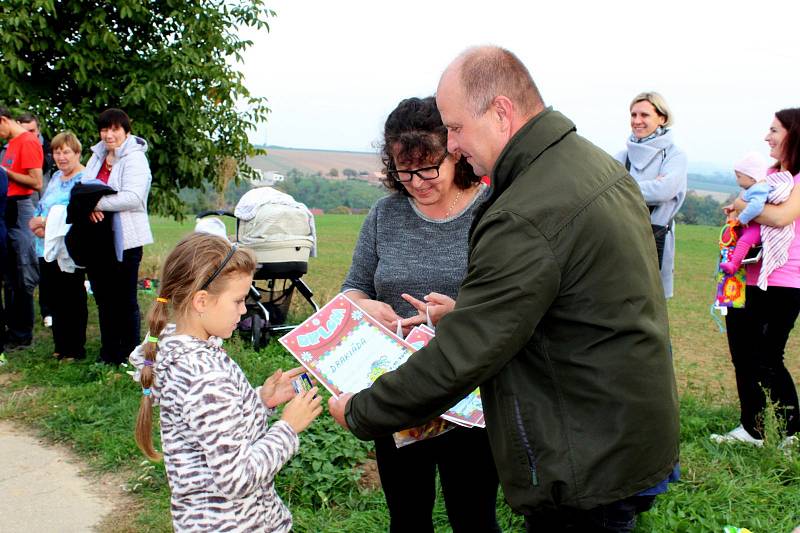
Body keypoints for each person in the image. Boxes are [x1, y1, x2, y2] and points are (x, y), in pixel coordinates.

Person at [329, 46, 680, 532]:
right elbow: (559, 309)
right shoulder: (590, 166)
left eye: (453, 128)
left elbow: (467, 351)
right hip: (615, 434)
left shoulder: (524, 210)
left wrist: (362, 410)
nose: (452, 146)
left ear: (499, 111)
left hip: (584, 452)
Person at [341, 96, 499, 533]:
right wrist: (363, 304)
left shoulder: (491, 212)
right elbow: (353, 287)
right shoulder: (384, 215)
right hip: (397, 390)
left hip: (470, 393)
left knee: (474, 517)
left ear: (455, 152)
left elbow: (509, 305)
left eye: (429, 167)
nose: (418, 182)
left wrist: (457, 314)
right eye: (404, 171)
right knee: (407, 518)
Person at [129, 233, 322, 532]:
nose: (244, 309)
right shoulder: (203, 377)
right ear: (202, 301)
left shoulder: (181, 352)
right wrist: (288, 428)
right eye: (238, 300)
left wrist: (262, 401)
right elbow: (237, 478)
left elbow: (218, 429)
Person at [713, 108, 800, 446]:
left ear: (794, 135)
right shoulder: (771, 175)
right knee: (742, 355)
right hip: (746, 277)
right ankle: (753, 429)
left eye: (774, 130)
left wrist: (742, 203)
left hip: (783, 282)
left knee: (768, 358)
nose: (767, 137)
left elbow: (781, 218)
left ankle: (792, 432)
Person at [82, 108, 153, 365]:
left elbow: (133, 198)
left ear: (126, 131)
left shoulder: (135, 159)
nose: (108, 135)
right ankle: (108, 352)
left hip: (126, 239)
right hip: (97, 238)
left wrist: (95, 204)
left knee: (124, 299)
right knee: (103, 298)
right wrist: (88, 207)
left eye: (114, 129)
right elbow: (83, 188)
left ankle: (129, 354)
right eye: (104, 129)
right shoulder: (96, 157)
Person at [614, 92, 688, 298]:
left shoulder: (675, 156)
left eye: (644, 115)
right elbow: (605, 191)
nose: (637, 121)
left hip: (655, 237)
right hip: (620, 236)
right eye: (633, 114)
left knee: (649, 304)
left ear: (662, 118)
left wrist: (623, 186)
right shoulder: (622, 156)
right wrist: (649, 187)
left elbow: (664, 191)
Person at [28, 131, 87, 360]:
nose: (61, 157)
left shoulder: (84, 178)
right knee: (55, 297)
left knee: (72, 296)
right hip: (46, 245)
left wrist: (46, 222)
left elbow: (74, 211)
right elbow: (43, 206)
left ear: (77, 153)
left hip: (68, 247)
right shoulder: (55, 178)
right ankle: (60, 344)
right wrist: (36, 222)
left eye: (66, 152)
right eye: (57, 152)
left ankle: (75, 348)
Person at [0, 105, 43, 353]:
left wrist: (5, 173)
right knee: (10, 275)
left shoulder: (27, 142)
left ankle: (23, 333)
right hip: (8, 207)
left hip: (21, 208)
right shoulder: (11, 144)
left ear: (3, 120)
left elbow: (36, 181)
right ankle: (12, 330)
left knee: (22, 269)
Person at [718, 152, 794, 280]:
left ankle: (734, 265)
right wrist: (734, 206)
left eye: (739, 176)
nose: (737, 180)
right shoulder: (753, 188)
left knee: (744, 241)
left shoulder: (759, 189)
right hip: (751, 224)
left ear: (752, 178)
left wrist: (742, 218)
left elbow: (756, 206)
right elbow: (745, 200)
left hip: (756, 228)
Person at [17, 112, 54, 327]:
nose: (28, 135)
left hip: (49, 214)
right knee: (29, 263)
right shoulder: (12, 150)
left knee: (48, 262)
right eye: (23, 131)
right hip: (26, 212)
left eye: (31, 131)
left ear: (38, 130)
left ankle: (49, 311)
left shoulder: (50, 150)